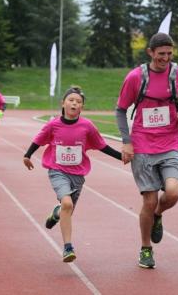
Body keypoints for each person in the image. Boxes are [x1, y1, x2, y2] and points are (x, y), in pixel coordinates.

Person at [115, 33, 178, 269]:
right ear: (150, 52)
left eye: (169, 54)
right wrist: (126, 141)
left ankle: (159, 215)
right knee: (148, 202)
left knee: (173, 192)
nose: (166, 58)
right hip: (142, 145)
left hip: (170, 142)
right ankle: (146, 248)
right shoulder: (135, 77)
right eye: (161, 54)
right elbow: (120, 110)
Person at [23, 86, 123, 263]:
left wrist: (121, 157)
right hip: (57, 171)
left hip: (77, 175)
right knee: (67, 204)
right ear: (63, 103)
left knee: (67, 210)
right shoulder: (53, 124)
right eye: (71, 100)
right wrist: (27, 155)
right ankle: (68, 247)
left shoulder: (87, 126)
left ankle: (56, 213)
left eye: (78, 102)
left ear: (81, 107)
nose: (74, 103)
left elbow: (101, 145)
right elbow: (38, 139)